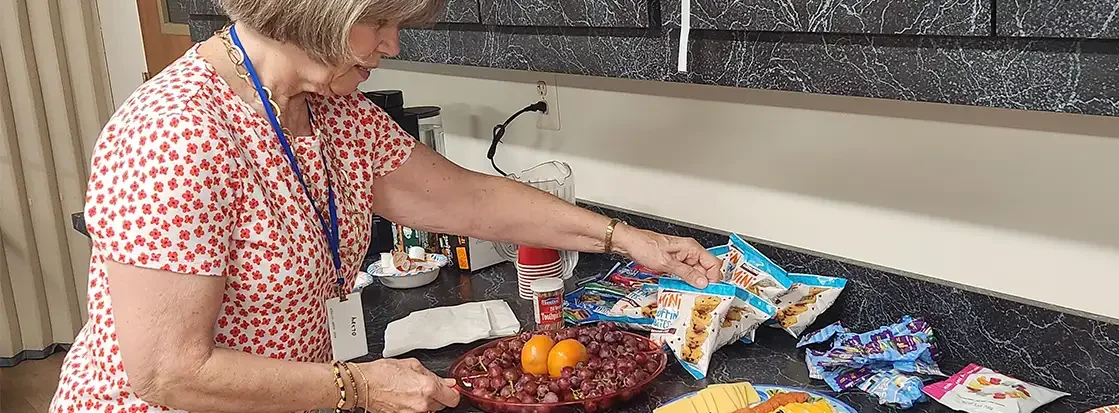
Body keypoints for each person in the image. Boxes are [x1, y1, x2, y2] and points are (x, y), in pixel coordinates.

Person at [49, 0, 723, 411]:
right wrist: (359, 387)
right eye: (380, 22)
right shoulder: (175, 135)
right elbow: (168, 370)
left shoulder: (330, 109)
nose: (393, 45)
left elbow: (469, 198)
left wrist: (623, 236)